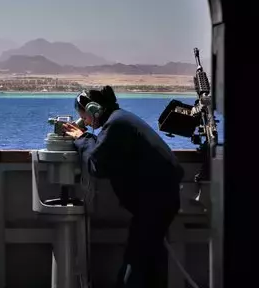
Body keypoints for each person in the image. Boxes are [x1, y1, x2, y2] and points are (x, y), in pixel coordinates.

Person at [61, 85, 184, 288]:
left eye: (83, 115)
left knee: (137, 261)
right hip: (159, 200)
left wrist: (81, 138)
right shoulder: (119, 120)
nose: (84, 120)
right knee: (148, 260)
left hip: (154, 204)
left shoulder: (116, 125)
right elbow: (103, 148)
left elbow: (96, 164)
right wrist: (87, 138)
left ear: (93, 109)